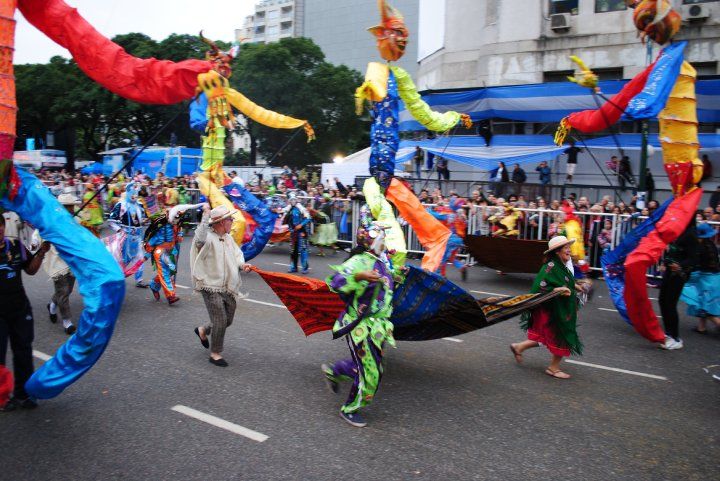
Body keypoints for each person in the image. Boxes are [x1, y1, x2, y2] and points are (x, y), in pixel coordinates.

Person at [321, 222, 404, 427]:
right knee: (370, 371)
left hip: (379, 327)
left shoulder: (382, 262)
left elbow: (386, 287)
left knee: (368, 367)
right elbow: (335, 282)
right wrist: (359, 276)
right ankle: (349, 409)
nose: (384, 243)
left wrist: (397, 276)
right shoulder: (359, 261)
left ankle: (335, 371)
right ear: (372, 240)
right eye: (382, 239)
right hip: (362, 326)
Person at [510, 236, 584, 379]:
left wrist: (575, 286)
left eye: (569, 247)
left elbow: (562, 281)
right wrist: (558, 290)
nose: (569, 250)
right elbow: (541, 287)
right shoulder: (551, 267)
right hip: (552, 310)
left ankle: (518, 347)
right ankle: (553, 368)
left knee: (545, 335)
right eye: (566, 248)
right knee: (562, 335)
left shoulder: (560, 265)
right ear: (557, 251)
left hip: (558, 308)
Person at [191, 205, 252, 367]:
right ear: (220, 222)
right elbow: (199, 239)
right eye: (230, 219)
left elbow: (237, 254)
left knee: (227, 320)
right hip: (209, 285)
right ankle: (215, 353)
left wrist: (242, 265)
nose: (232, 221)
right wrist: (205, 216)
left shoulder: (228, 238)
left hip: (227, 285)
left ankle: (203, 330)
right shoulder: (207, 238)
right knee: (220, 319)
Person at [0, 213, 50, 411]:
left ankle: (23, 394)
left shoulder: (15, 246)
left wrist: (41, 253)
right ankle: (2, 398)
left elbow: (30, 270)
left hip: (20, 308)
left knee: (23, 350)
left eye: (0, 227)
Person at [44, 193, 82, 335]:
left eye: (71, 206)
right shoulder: (51, 220)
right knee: (64, 291)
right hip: (57, 260)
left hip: (72, 260)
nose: (71, 209)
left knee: (66, 290)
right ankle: (67, 322)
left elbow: (81, 237)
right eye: (67, 206)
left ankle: (52, 305)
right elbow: (40, 232)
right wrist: (37, 242)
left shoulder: (76, 220)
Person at [658, 219, 699, 350]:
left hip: (679, 274)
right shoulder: (677, 229)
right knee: (662, 300)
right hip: (670, 271)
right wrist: (665, 262)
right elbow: (671, 250)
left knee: (670, 303)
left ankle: (675, 338)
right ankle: (668, 333)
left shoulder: (691, 234)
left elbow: (694, 258)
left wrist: (680, 266)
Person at [681, 223, 720, 334]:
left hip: (706, 280)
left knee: (706, 307)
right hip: (715, 278)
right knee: (705, 303)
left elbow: (694, 264)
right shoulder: (712, 245)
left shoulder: (700, 249)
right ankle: (701, 327)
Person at [108, 181, 148, 288]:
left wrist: (144, 220)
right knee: (124, 260)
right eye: (132, 193)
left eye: (136, 193)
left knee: (140, 258)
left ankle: (139, 279)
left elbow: (143, 218)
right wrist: (119, 230)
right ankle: (117, 278)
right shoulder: (121, 205)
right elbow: (111, 220)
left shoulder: (139, 205)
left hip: (138, 237)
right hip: (125, 237)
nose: (134, 196)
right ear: (128, 193)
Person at [144, 207, 186, 305]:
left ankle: (154, 285)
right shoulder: (160, 226)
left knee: (171, 271)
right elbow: (152, 241)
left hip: (172, 251)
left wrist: (180, 235)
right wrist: (146, 255)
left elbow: (179, 230)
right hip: (160, 252)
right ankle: (170, 296)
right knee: (165, 273)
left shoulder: (176, 223)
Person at [284, 193, 311, 274]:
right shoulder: (288, 209)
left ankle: (305, 268)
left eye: (294, 199)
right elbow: (282, 214)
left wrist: (301, 225)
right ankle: (293, 267)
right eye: (291, 200)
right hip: (293, 233)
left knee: (303, 249)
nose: (292, 201)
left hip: (301, 232)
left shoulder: (301, 208)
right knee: (293, 250)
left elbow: (308, 218)